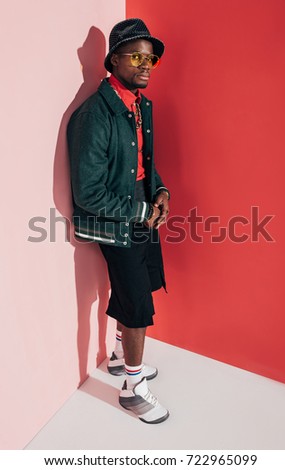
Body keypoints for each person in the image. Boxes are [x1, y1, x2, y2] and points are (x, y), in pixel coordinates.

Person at [67, 18, 170, 424]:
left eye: (152, 58)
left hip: (141, 214)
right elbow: (88, 193)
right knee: (138, 302)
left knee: (140, 285)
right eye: (136, 56)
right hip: (113, 222)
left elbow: (145, 165)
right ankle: (132, 388)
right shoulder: (95, 114)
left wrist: (160, 192)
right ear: (113, 60)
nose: (146, 65)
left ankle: (115, 356)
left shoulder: (142, 105)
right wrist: (142, 211)